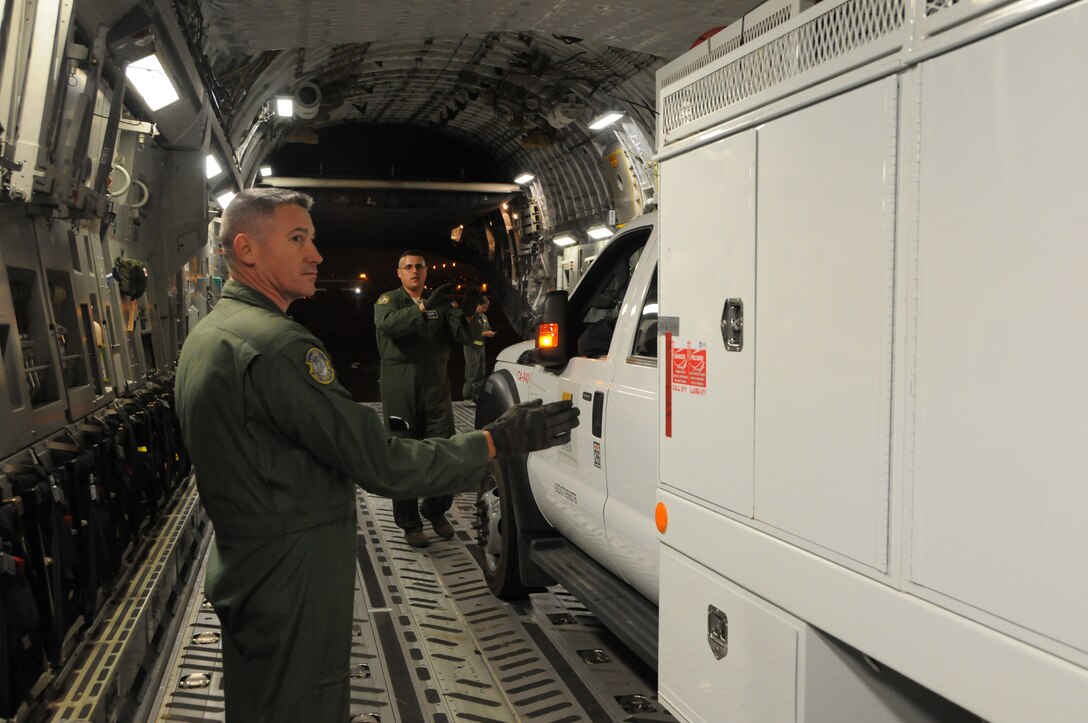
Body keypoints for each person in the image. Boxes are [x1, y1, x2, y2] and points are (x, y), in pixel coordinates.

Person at [175, 187, 578, 723]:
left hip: (245, 567)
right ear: (246, 250)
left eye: (313, 240)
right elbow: (381, 463)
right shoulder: (278, 347)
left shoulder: (208, 335)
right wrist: (495, 441)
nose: (316, 254)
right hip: (293, 577)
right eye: (298, 239)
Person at [374, 251, 482, 547]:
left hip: (435, 385)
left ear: (426, 270)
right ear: (399, 273)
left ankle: (435, 510)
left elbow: (464, 336)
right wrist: (423, 306)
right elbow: (390, 326)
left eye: (419, 267)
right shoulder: (388, 301)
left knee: (445, 451)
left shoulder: (442, 302)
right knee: (404, 454)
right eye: (408, 267)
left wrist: (470, 313)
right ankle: (410, 524)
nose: (414, 271)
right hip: (401, 386)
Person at [462, 291, 496, 402]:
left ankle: (476, 396)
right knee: (471, 373)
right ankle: (467, 397)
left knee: (481, 373)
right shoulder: (470, 316)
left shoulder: (484, 317)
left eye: (487, 307)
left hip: (481, 348)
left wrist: (490, 332)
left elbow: (487, 328)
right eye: (484, 307)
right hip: (471, 347)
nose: (485, 310)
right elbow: (469, 332)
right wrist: (485, 334)